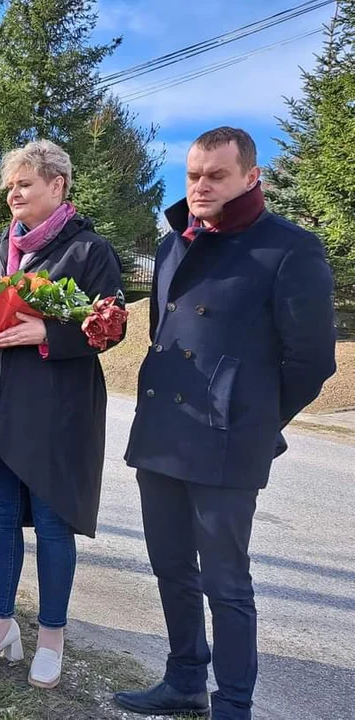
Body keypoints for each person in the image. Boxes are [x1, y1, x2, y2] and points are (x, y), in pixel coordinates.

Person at [115, 127, 337, 720]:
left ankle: (233, 703)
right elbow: (165, 333)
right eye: (193, 176)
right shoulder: (171, 247)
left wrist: (253, 417)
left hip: (228, 443)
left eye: (216, 175)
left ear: (250, 176)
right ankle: (185, 679)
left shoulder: (289, 248)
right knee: (169, 567)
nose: (201, 187)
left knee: (226, 583)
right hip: (162, 432)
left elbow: (312, 361)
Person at [0, 140, 124, 689]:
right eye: (9, 185)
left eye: (24, 183)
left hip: (56, 417)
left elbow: (109, 326)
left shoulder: (89, 250)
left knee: (52, 526)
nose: (12, 193)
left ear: (58, 185)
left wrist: (49, 331)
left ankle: (52, 636)